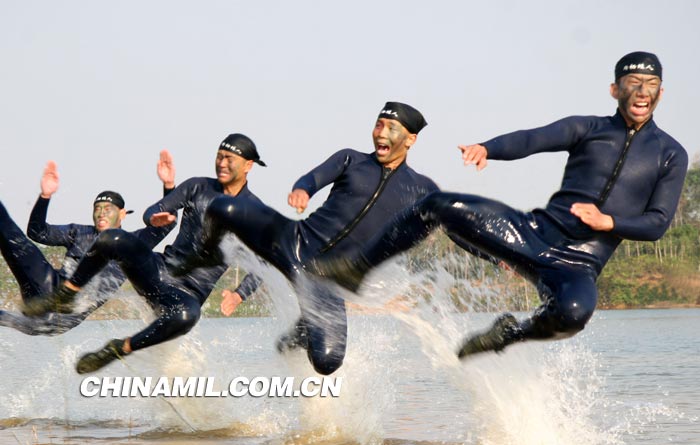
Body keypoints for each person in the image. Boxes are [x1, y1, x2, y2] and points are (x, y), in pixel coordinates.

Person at [313, 52, 688, 358]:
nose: (642, 92)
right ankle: (359, 268)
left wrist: (608, 221)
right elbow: (533, 139)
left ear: (660, 92)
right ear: (614, 90)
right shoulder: (588, 129)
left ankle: (509, 334)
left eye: (650, 85)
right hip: (531, 233)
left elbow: (656, 223)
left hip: (578, 265)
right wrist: (488, 149)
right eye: (632, 84)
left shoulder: (670, 154)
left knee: (573, 316)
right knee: (438, 203)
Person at [178, 102, 439, 375]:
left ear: (411, 139)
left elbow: (451, 227)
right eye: (378, 125)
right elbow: (312, 179)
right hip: (295, 240)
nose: (381, 133)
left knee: (327, 363)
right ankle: (197, 259)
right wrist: (303, 191)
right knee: (226, 209)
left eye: (391, 128)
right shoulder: (351, 159)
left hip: (326, 277)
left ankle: (298, 335)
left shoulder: (421, 189)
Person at [23, 135, 264, 373]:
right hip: (157, 271)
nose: (222, 163)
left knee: (188, 316)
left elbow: (263, 264)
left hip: (187, 295)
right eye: (219, 157)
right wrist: (154, 218)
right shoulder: (198, 186)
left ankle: (120, 348)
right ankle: (67, 292)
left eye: (229, 158)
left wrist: (238, 295)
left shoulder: (254, 213)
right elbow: (154, 211)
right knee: (112, 238)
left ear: (248, 165)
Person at [0, 159, 176, 335]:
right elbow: (37, 232)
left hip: (65, 315)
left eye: (108, 208)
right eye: (97, 208)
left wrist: (169, 185)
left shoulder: (132, 242)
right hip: (47, 291)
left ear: (122, 214)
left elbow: (167, 225)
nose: (101, 213)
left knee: (35, 323)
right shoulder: (78, 232)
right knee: (11, 237)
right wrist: (45, 197)